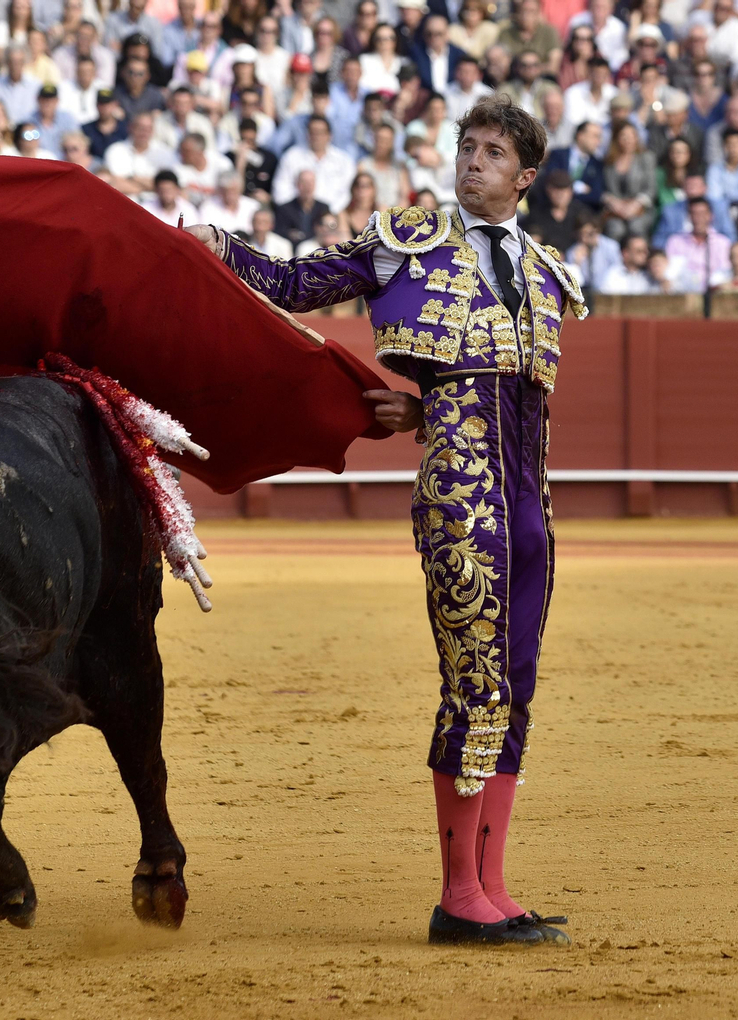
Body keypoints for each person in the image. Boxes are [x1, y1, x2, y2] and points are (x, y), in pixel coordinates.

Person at [188, 95, 582, 948]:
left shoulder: (547, 269)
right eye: (466, 146)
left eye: (491, 152)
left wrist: (425, 401)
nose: (472, 162)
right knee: (473, 681)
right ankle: (457, 896)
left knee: (515, 688)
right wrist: (222, 247)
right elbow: (294, 284)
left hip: (530, 509)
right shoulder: (409, 241)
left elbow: (500, 384)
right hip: (461, 499)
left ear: (527, 175)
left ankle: (496, 885)